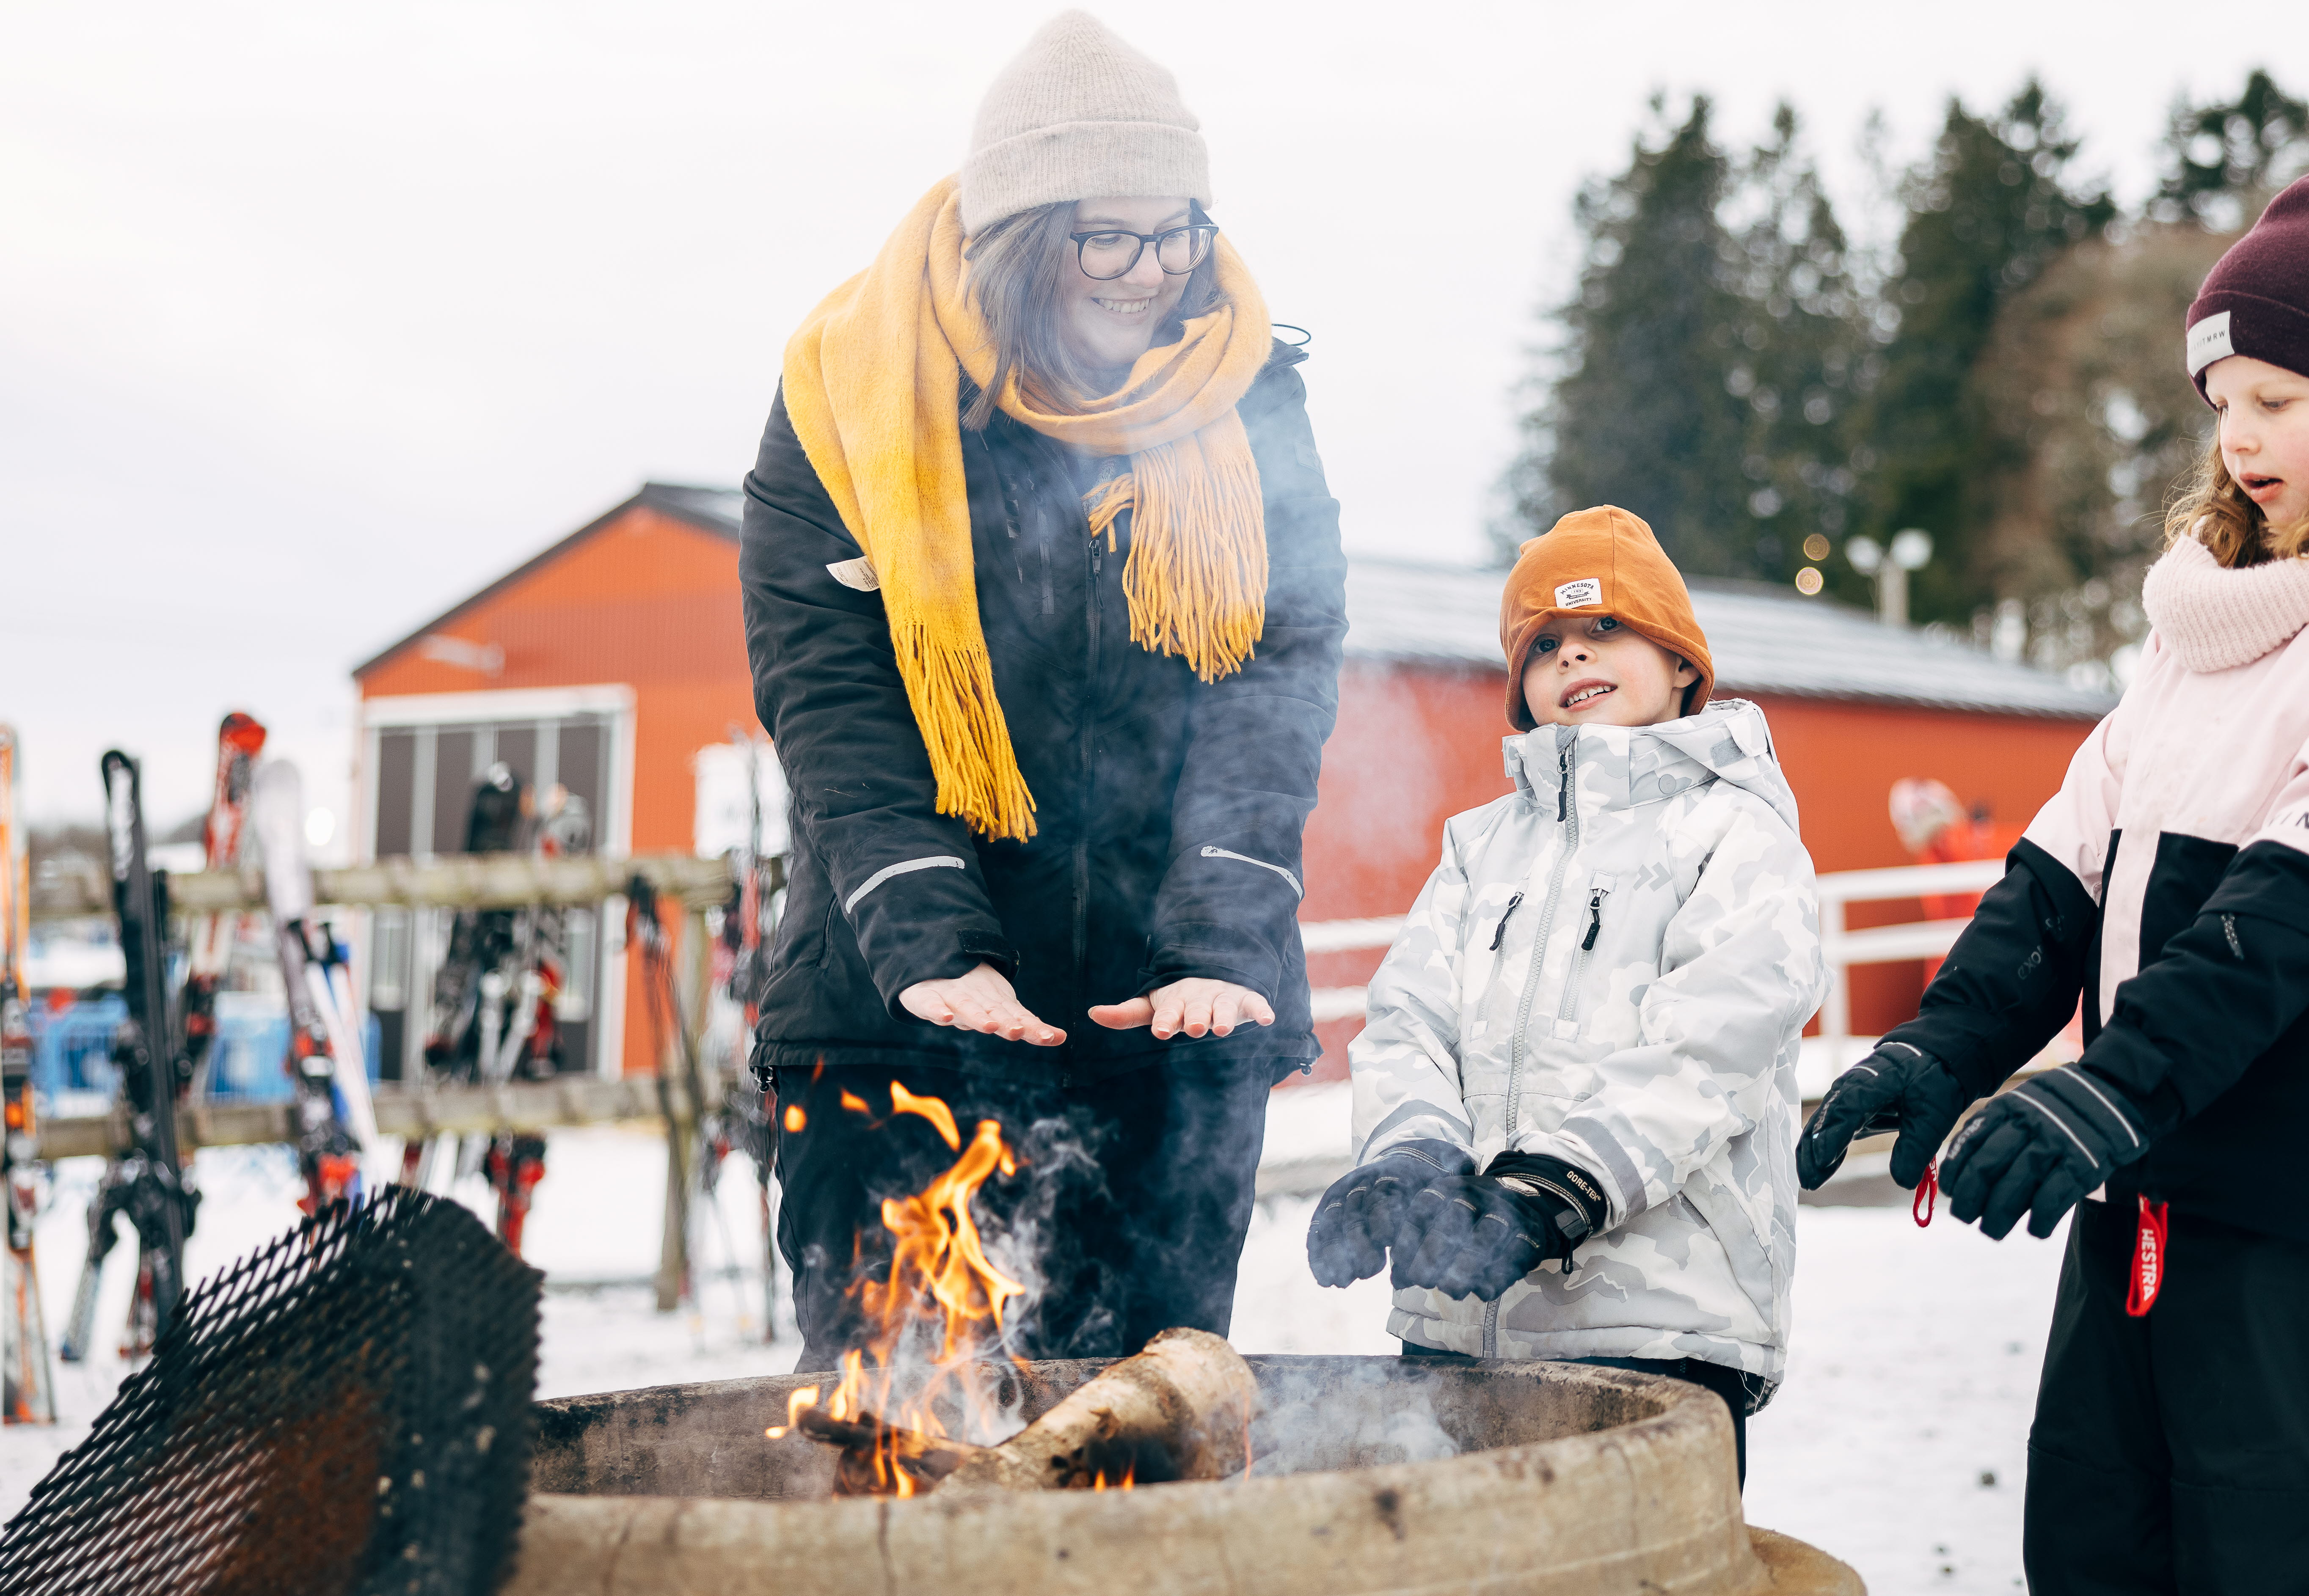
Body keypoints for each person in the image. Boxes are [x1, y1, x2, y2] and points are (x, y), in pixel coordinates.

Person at [1796, 168, 2309, 1592]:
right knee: (2094, 1545)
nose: (2239, 435)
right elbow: (2069, 857)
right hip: (2153, 1164)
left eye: (2278, 399)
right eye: (2223, 402)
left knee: (2277, 1560)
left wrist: (2107, 1085)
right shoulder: (2215, 605)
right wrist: (1945, 1041)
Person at [740, 11, 1345, 1369]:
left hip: (1165, 1025)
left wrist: (1218, 932)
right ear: (1023, 237)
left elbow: (1276, 663)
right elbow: (832, 696)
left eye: (1178, 227)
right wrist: (933, 942)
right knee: (898, 1453)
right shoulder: (849, 395)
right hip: (899, 1029)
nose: (1156, 271)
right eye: (1109, 237)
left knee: (1146, 1446)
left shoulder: (1243, 387)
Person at [1303, 506, 1823, 1483]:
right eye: (1543, 644)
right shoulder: (1478, 846)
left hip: (1653, 1324)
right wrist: (1412, 1154)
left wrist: (1555, 1187)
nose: (1573, 655)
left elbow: (1713, 1045)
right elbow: (1409, 1018)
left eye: (1604, 629)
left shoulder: (1734, 834)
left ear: (1679, 660)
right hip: (1459, 1316)